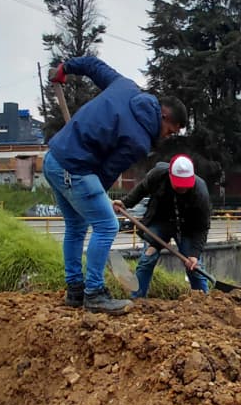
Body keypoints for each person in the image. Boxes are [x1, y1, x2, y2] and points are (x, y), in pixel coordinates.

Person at [45, 56, 187, 313]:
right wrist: (98, 195)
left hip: (53, 159)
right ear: (164, 115)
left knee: (76, 227)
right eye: (171, 130)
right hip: (74, 168)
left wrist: (66, 68)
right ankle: (94, 293)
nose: (168, 136)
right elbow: (105, 173)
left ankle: (75, 290)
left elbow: (92, 66)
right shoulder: (140, 141)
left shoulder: (125, 86)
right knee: (106, 225)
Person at [114, 153, 211, 298]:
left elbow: (202, 227)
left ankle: (205, 301)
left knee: (193, 266)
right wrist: (126, 202)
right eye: (179, 185)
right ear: (170, 175)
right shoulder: (158, 175)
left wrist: (195, 254)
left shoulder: (200, 191)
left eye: (185, 186)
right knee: (148, 258)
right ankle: (137, 299)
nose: (182, 190)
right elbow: (142, 188)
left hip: (187, 228)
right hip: (160, 221)